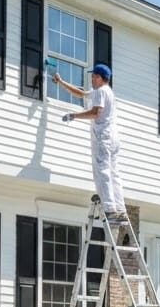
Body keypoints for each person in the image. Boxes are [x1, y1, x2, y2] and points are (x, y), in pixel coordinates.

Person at [52, 64, 127, 220]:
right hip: (113, 138)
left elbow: (95, 113)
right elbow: (80, 94)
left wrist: (74, 116)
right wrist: (61, 82)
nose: (92, 79)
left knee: (103, 171)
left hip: (103, 137)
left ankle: (110, 209)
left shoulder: (101, 91)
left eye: (93, 76)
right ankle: (120, 209)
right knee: (114, 173)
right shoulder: (107, 92)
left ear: (99, 77)